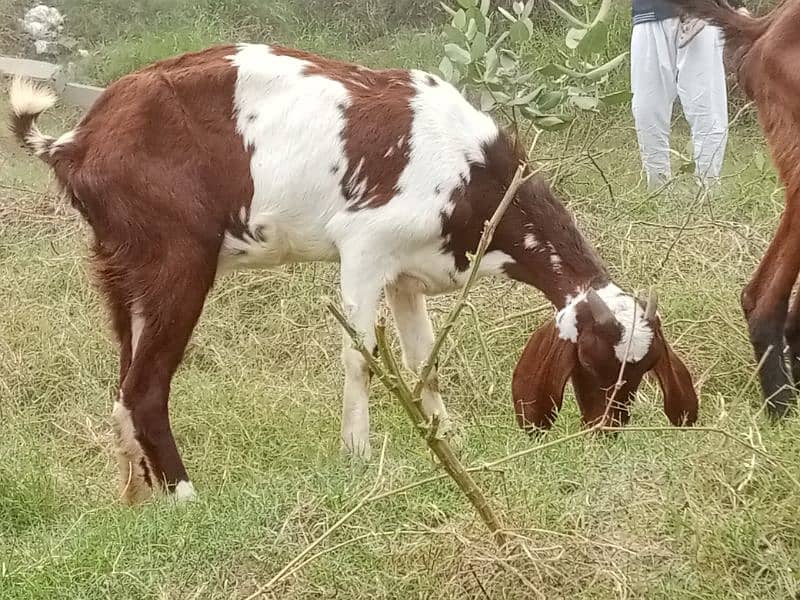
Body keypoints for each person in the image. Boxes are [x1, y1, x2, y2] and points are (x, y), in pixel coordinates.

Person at [630, 1, 747, 190]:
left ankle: (707, 194)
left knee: (706, 108)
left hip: (701, 15)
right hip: (649, 12)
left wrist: (734, 6)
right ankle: (657, 191)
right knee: (646, 110)